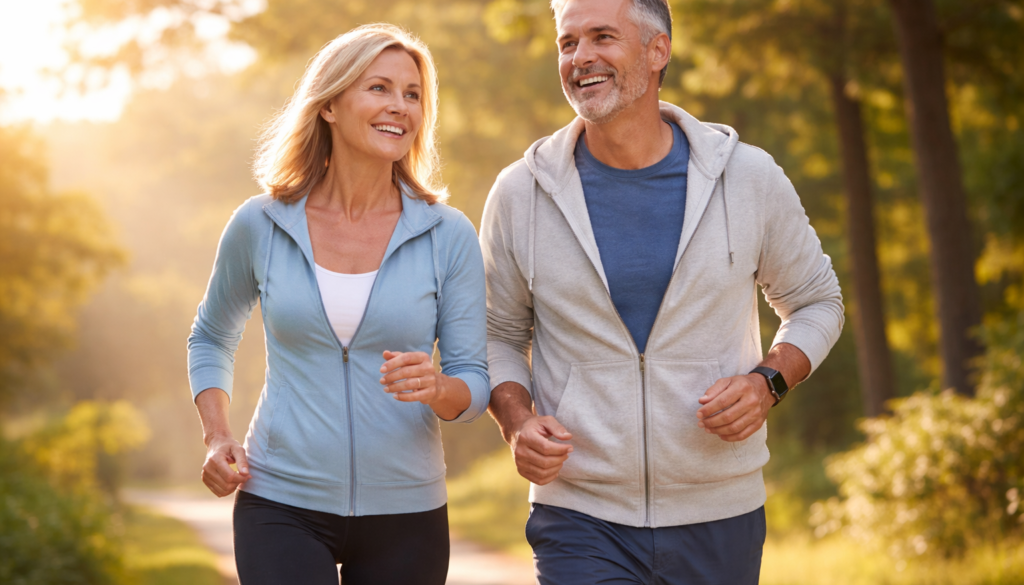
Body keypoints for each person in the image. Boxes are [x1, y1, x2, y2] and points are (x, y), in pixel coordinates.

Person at [480, 0, 844, 583]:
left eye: (603, 37)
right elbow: (495, 334)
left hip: (719, 511)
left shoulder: (747, 178)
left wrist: (767, 381)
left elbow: (817, 301)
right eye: (568, 42)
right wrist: (517, 421)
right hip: (580, 514)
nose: (580, 57)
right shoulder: (521, 194)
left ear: (658, 51)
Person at [186, 24, 489, 585]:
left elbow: (474, 383)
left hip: (407, 510)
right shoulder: (261, 223)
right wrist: (217, 435)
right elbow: (211, 335)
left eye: (413, 94)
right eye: (379, 88)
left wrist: (439, 387)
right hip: (281, 501)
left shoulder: (447, 234)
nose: (399, 106)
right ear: (328, 104)